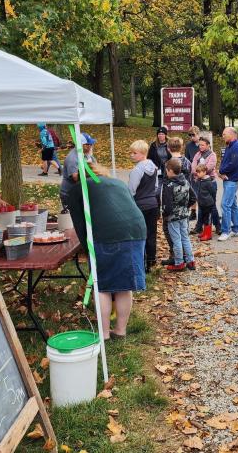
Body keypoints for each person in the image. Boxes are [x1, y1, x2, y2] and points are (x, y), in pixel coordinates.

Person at [67, 163, 146, 340]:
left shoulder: (78, 189)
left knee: (102, 285)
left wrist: (87, 249)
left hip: (108, 233)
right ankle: (120, 331)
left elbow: (80, 225)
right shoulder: (117, 182)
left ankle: (103, 334)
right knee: (124, 284)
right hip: (137, 230)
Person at [128, 140, 160, 271]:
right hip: (152, 204)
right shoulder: (154, 167)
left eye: (134, 153)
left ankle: (141, 262)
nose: (131, 155)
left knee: (140, 234)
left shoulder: (137, 170)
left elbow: (131, 191)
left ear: (142, 154)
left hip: (140, 205)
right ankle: (151, 260)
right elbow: (156, 186)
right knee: (152, 234)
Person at [162, 158, 196, 271]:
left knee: (176, 240)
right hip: (184, 215)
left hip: (173, 217)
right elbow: (193, 197)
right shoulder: (186, 181)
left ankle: (179, 263)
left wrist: (166, 215)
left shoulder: (169, 185)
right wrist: (186, 207)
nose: (166, 172)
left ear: (170, 171)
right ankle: (191, 261)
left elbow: (167, 204)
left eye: (166, 170)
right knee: (185, 238)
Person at [217, 127, 238, 241]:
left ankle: (226, 231)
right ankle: (237, 229)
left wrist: (221, 172)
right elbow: (226, 161)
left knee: (225, 205)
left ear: (232, 134)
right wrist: (221, 172)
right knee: (232, 204)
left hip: (232, 179)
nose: (222, 136)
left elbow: (233, 163)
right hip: (228, 178)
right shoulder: (230, 145)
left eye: (224, 134)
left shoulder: (237, 145)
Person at [192, 134, 221, 234]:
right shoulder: (198, 154)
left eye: (203, 145)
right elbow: (193, 166)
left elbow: (208, 168)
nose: (200, 147)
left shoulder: (212, 155)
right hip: (200, 183)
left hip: (210, 183)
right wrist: (197, 172)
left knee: (211, 206)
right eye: (199, 145)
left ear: (208, 145)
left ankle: (218, 226)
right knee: (201, 205)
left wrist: (199, 171)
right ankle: (199, 227)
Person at [60, 132, 97, 210]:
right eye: (88, 144)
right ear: (81, 145)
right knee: (74, 219)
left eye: (91, 144)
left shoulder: (86, 154)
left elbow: (97, 169)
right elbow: (76, 178)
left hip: (80, 193)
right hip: (69, 194)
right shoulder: (73, 158)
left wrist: (90, 157)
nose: (90, 146)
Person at [194, 164, 217, 241]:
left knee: (208, 219)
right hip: (202, 204)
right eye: (197, 172)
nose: (197, 174)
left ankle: (208, 235)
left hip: (208, 204)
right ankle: (204, 232)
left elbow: (213, 192)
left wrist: (212, 201)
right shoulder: (200, 180)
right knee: (204, 219)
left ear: (204, 172)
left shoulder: (208, 182)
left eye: (199, 172)